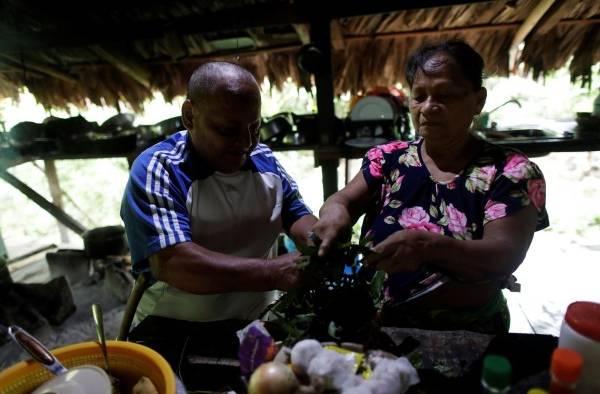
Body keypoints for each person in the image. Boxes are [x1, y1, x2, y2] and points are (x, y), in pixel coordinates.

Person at [312, 40, 549, 334]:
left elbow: (504, 256)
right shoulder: (387, 159)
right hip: (382, 325)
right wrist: (334, 211)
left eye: (445, 95)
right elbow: (343, 201)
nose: (428, 108)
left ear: (478, 100)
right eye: (419, 96)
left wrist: (426, 247)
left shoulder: (511, 171)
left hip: (469, 331)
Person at [120, 61, 316, 386]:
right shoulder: (161, 169)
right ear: (189, 115)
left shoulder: (265, 161)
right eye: (228, 130)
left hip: (255, 321)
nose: (245, 143)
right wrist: (272, 272)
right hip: (175, 328)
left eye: (254, 128)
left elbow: (300, 217)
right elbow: (174, 263)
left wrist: (323, 241)